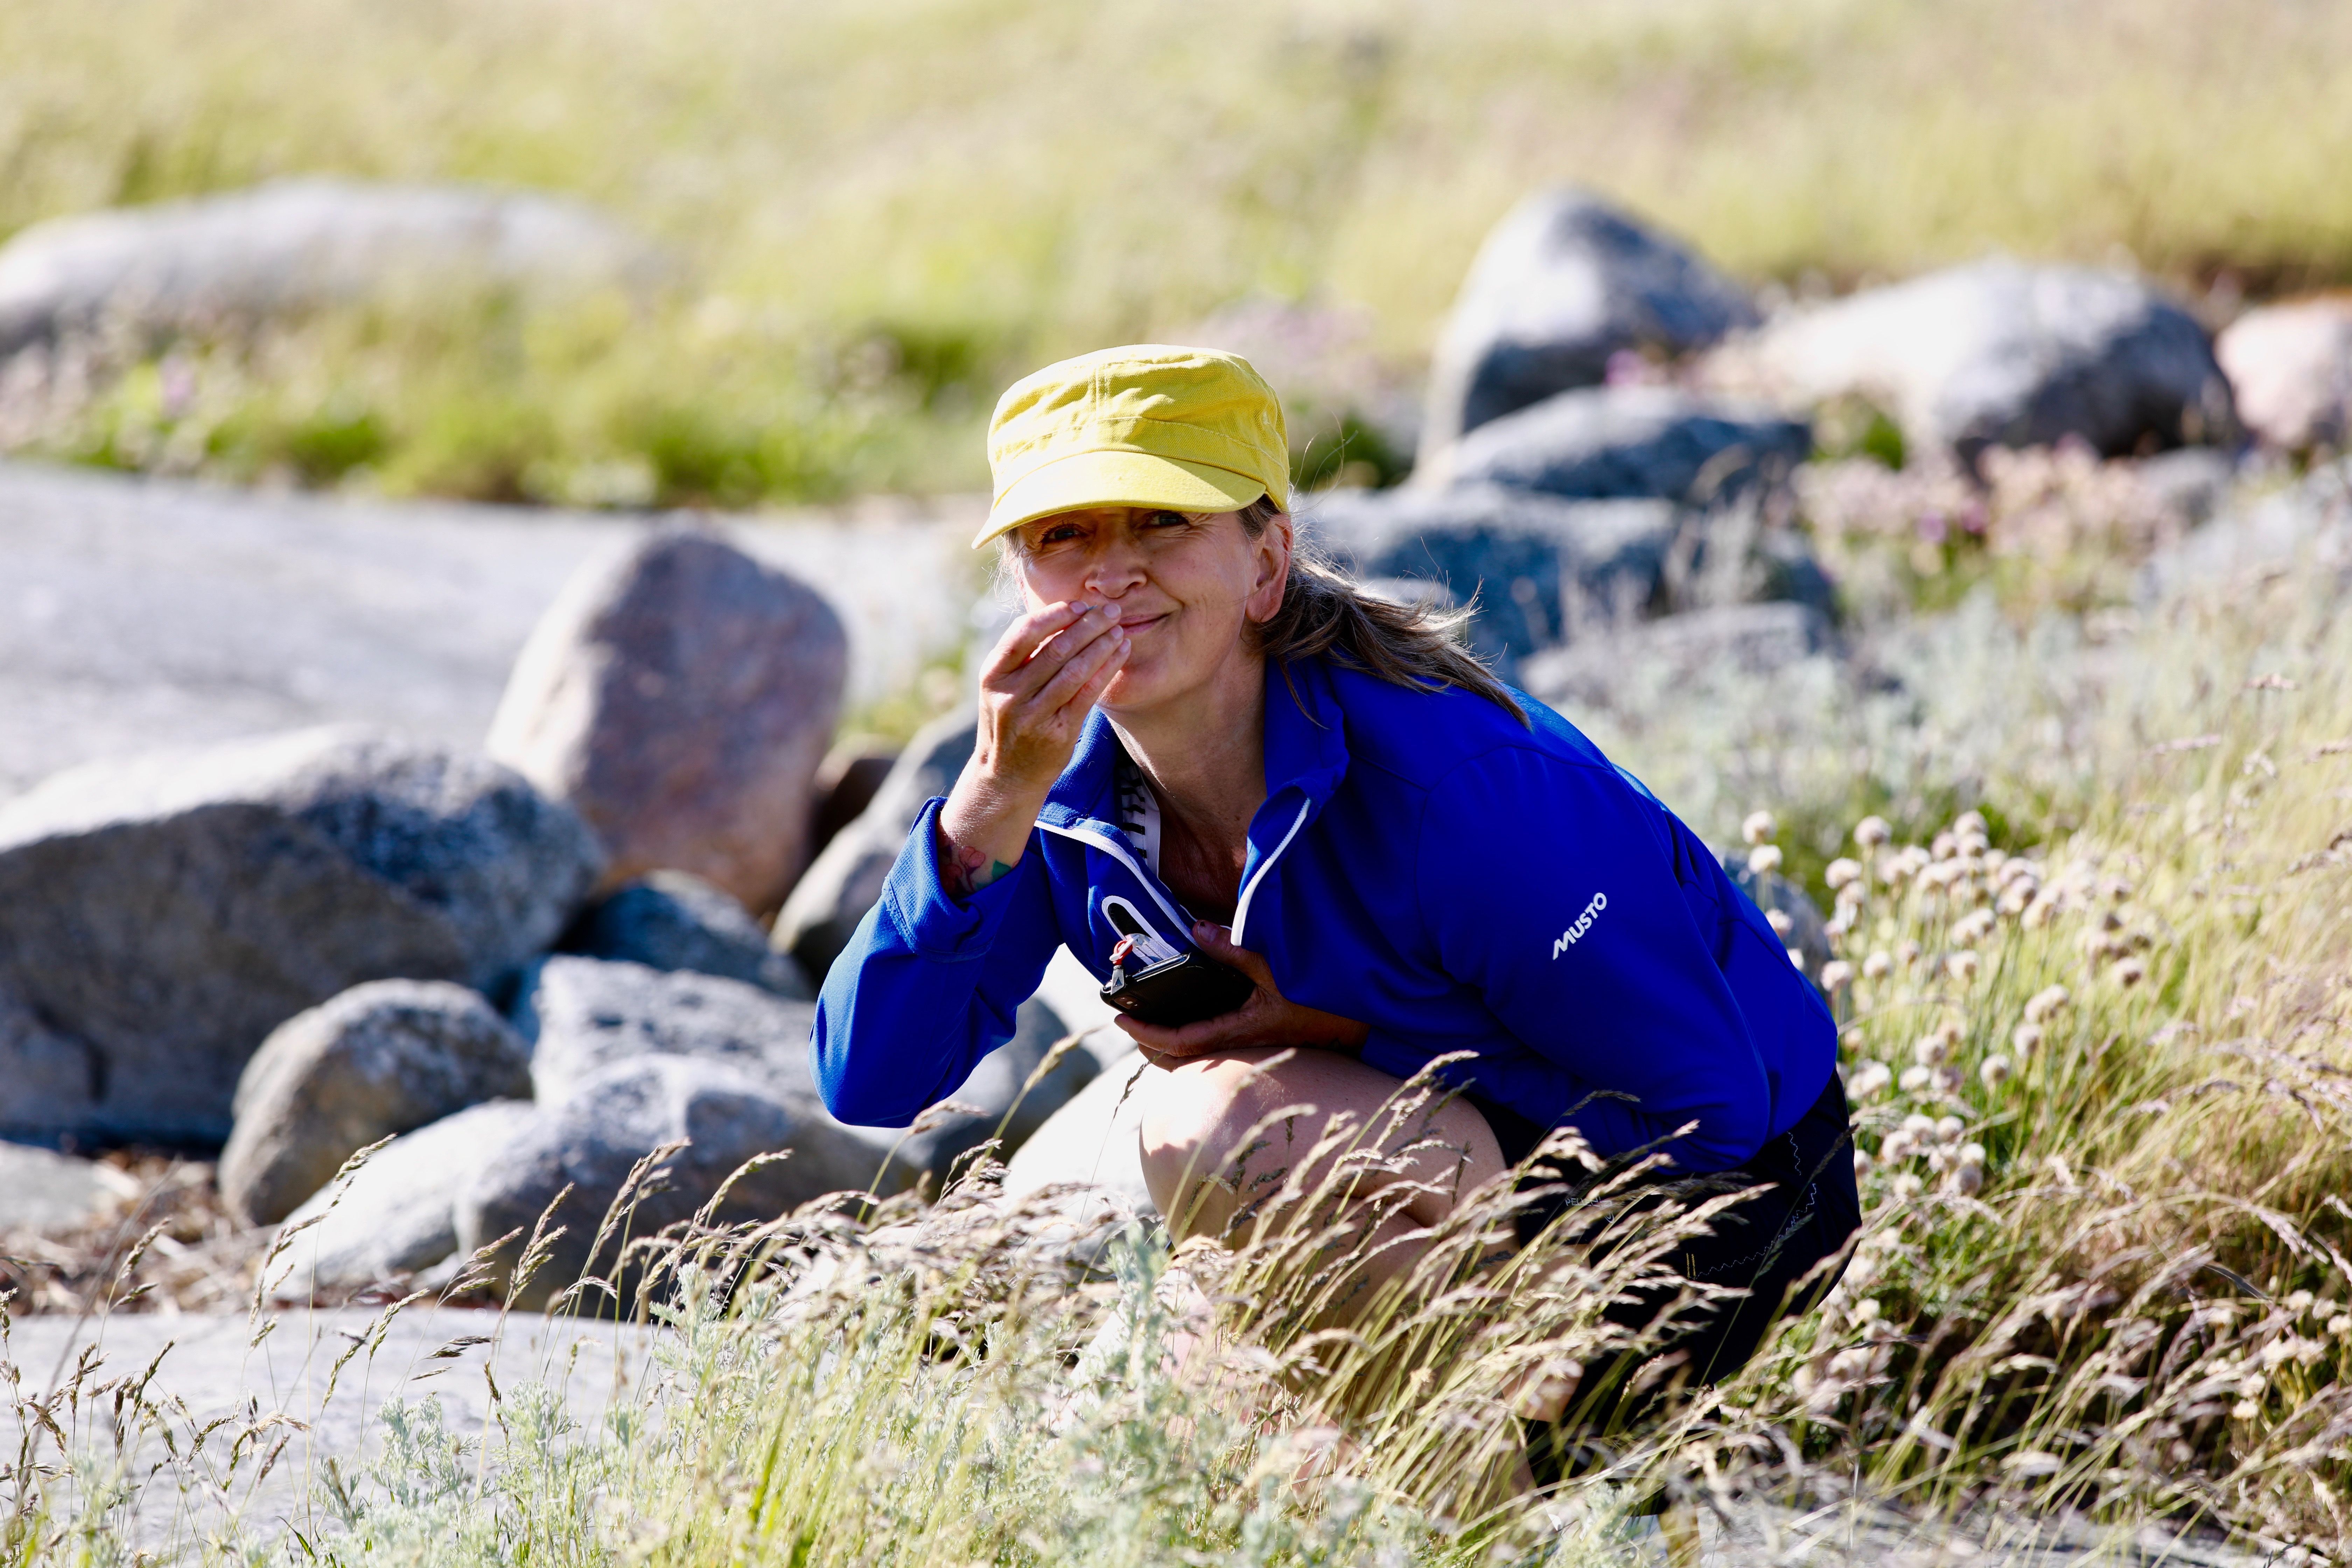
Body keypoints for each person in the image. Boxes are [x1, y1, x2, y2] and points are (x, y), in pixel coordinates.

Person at [811, 343, 1858, 1410]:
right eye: (1063, 535)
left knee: (1221, 1132)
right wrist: (988, 798)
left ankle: (1477, 1511)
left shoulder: (1457, 789)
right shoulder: (1052, 787)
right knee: (1145, 1448)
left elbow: (1708, 1113)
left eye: (1164, 522)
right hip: (1435, 1170)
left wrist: (1345, 1035)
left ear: (1268, 566)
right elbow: (877, 1082)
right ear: (1023, 581)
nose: (1112, 572)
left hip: (1734, 1208)